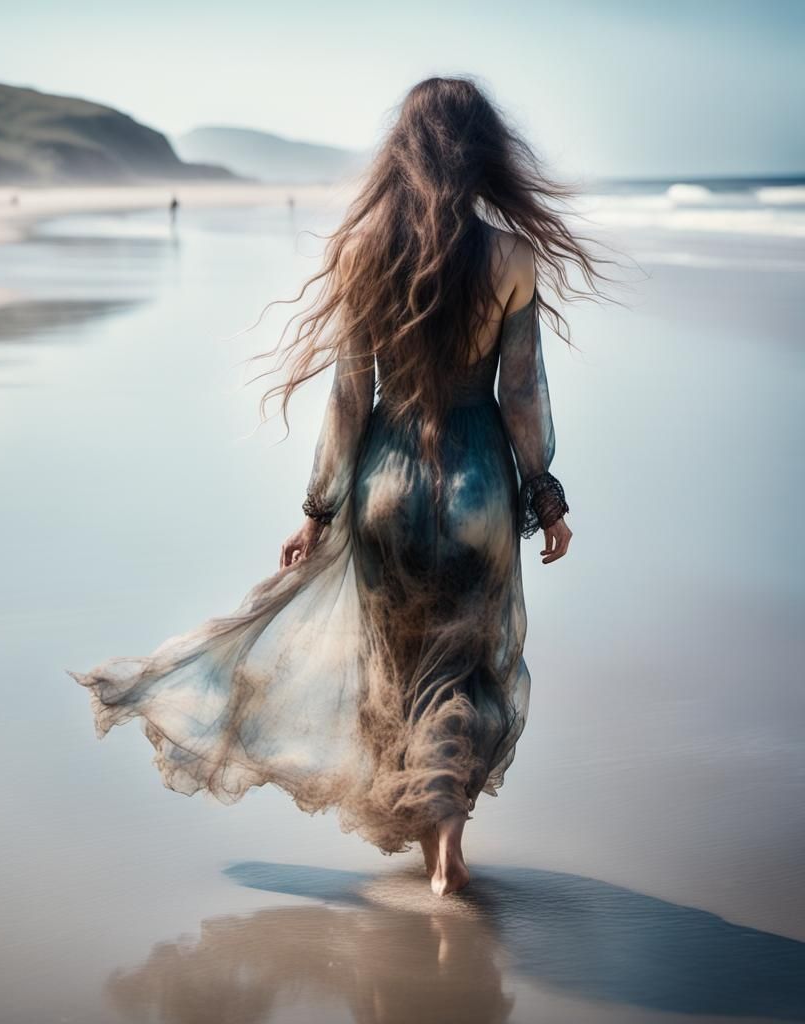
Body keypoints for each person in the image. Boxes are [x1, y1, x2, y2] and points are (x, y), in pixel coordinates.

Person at [69, 76, 612, 895]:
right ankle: (445, 849)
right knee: (463, 669)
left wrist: (318, 509)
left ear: (405, 154)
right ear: (483, 157)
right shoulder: (510, 256)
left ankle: (431, 837)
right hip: (476, 486)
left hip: (385, 483)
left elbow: (351, 397)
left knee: (397, 667)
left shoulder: (364, 253)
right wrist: (547, 497)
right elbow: (523, 393)